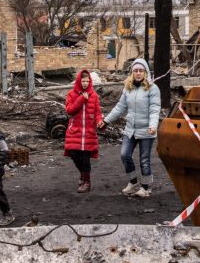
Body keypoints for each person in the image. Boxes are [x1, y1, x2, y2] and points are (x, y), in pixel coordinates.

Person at [100, 58, 161, 197]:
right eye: (135, 71)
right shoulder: (128, 87)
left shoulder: (153, 88)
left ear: (145, 72)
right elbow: (120, 107)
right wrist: (106, 121)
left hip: (147, 129)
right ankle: (133, 183)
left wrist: (153, 125)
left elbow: (154, 109)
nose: (138, 73)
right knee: (125, 155)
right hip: (130, 129)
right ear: (132, 72)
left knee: (144, 161)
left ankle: (145, 189)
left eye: (141, 70)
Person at [64, 70, 103, 193]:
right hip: (75, 132)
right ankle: (83, 175)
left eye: (87, 81)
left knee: (85, 158)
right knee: (74, 155)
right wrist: (81, 99)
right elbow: (69, 110)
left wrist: (99, 121)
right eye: (83, 81)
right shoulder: (71, 94)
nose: (85, 83)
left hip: (89, 133)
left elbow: (97, 112)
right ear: (79, 81)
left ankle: (87, 182)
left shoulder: (94, 96)